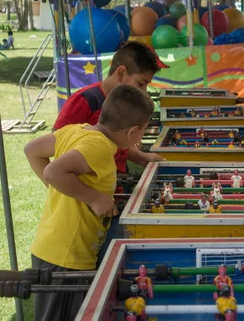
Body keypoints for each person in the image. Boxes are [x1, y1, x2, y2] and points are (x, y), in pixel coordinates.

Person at [24, 85, 155, 321]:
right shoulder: (99, 147)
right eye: (143, 132)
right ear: (132, 132)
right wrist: (93, 198)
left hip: (56, 247)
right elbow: (53, 171)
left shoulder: (76, 130)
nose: (141, 137)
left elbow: (32, 150)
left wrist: (65, 190)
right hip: (66, 255)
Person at [53, 41, 166, 174]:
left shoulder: (126, 103)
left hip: (115, 181)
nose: (144, 91)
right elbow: (56, 144)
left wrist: (141, 158)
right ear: (121, 73)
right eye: (141, 83)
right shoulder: (84, 101)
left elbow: (117, 142)